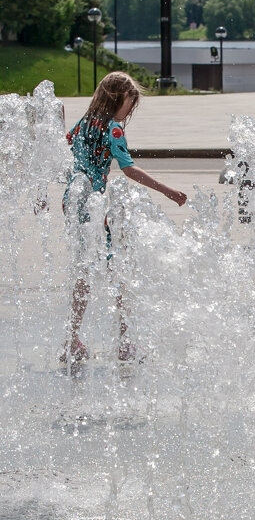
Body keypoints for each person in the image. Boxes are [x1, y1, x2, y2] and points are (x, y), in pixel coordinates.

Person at [61, 71, 187, 363]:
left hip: (74, 202)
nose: (131, 108)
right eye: (131, 101)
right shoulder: (112, 128)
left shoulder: (83, 124)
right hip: (91, 204)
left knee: (85, 270)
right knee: (116, 267)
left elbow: (63, 151)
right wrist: (168, 191)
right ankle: (124, 341)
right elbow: (128, 169)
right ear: (120, 99)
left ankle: (72, 340)